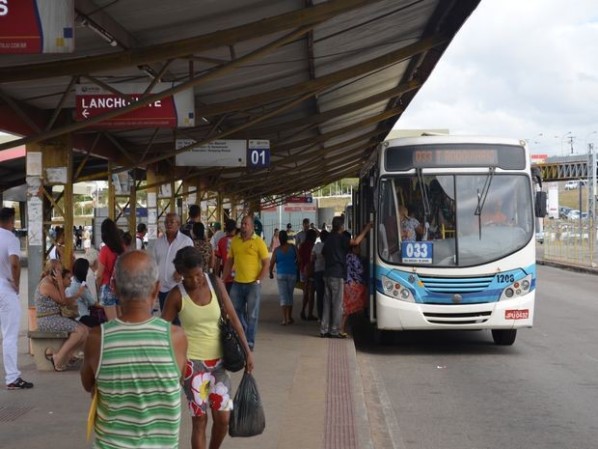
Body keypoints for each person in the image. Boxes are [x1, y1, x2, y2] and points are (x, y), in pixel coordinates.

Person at [81, 250, 188, 448]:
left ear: (113, 288)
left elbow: (88, 384)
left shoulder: (97, 339)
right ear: (156, 290)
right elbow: (179, 379)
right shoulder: (176, 338)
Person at [163, 246, 253, 449]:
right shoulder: (176, 296)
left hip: (220, 364)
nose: (195, 280)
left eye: (198, 275)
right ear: (181, 275)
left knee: (223, 419)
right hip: (192, 367)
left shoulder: (215, 283)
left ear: (202, 268)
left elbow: (234, 319)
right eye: (188, 277)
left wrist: (248, 352)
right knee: (200, 421)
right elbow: (163, 331)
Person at [222, 214, 269, 351]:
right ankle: (243, 333)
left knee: (252, 315)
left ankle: (249, 342)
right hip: (237, 283)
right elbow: (229, 261)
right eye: (242, 223)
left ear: (252, 226)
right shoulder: (235, 241)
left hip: (253, 285)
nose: (243, 225)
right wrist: (223, 278)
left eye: (246, 224)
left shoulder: (258, 241)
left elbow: (266, 263)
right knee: (235, 313)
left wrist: (259, 279)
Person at [320, 216, 372, 338]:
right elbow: (356, 242)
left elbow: (323, 253)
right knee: (337, 304)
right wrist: (366, 230)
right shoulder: (341, 238)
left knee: (327, 303)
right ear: (342, 227)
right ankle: (335, 330)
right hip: (337, 275)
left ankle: (324, 329)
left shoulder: (329, 239)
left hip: (327, 274)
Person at [0, 207, 33, 390]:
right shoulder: (10, 238)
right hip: (5, 289)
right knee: (9, 335)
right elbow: (14, 263)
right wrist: (16, 283)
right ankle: (12, 378)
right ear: (11, 220)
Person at [36, 259, 89, 371]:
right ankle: (58, 357)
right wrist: (60, 282)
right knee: (79, 331)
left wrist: (76, 294)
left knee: (85, 330)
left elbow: (64, 300)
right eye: (59, 270)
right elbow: (62, 301)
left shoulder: (52, 283)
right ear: (53, 272)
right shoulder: (46, 284)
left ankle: (67, 357)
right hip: (47, 319)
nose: (61, 272)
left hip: (55, 317)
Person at [152, 212, 194, 313]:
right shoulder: (158, 242)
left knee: (179, 319)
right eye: (166, 222)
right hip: (162, 289)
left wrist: (180, 272)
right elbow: (153, 263)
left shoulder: (186, 241)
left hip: (180, 287)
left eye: (172, 222)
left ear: (178, 224)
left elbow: (192, 262)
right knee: (166, 318)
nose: (168, 224)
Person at [95, 218, 125, 321]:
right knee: (121, 320)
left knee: (113, 323)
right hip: (120, 287)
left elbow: (99, 275)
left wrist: (97, 290)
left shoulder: (105, 250)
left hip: (107, 288)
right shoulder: (122, 249)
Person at [268, 230, 298, 326]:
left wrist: (270, 273)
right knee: (290, 295)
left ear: (279, 239)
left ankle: (285, 319)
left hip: (281, 274)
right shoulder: (293, 248)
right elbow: (299, 259)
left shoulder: (277, 250)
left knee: (283, 296)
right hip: (292, 273)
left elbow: (272, 263)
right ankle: (289, 317)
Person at [67, 258, 103, 327]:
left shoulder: (71, 281)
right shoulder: (81, 286)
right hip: (81, 316)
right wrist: (107, 307)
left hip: (72, 316)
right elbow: (93, 302)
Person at [341, 245, 367, 335]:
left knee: (347, 306)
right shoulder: (354, 258)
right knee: (351, 307)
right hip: (354, 285)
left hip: (347, 283)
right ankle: (343, 328)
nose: (360, 250)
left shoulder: (346, 256)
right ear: (353, 249)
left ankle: (344, 327)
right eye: (358, 248)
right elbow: (360, 271)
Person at [299, 228, 318, 321]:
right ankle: (310, 313)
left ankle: (303, 310)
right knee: (311, 293)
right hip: (311, 270)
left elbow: (299, 258)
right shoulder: (313, 246)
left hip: (303, 270)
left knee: (305, 292)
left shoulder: (302, 245)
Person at [214, 219, 237, 290]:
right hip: (240, 277)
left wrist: (216, 276)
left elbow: (218, 261)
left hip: (226, 276)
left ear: (225, 229)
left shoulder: (221, 241)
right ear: (235, 229)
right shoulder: (239, 241)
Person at [311, 229, 328, 320]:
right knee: (328, 295)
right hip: (327, 272)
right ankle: (327, 316)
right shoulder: (329, 246)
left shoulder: (316, 246)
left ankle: (320, 316)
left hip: (317, 271)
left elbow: (312, 259)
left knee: (320, 295)